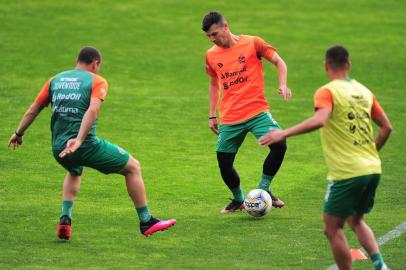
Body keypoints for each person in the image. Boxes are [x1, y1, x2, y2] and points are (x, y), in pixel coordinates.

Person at [8, 46, 176, 239]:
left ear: (78, 61)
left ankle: (65, 219)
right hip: (83, 145)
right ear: (96, 63)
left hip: (58, 148)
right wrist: (79, 140)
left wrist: (18, 133)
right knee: (133, 167)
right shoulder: (97, 80)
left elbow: (33, 109)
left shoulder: (55, 80)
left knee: (74, 170)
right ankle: (147, 221)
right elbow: (93, 110)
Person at [259, 45, 392, 270]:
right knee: (355, 220)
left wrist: (283, 132)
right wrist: (370, 153)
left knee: (332, 228)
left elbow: (320, 120)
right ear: (348, 65)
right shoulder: (364, 92)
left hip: (347, 172)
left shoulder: (327, 91)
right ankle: (380, 266)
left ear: (325, 66)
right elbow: (386, 128)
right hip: (372, 168)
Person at [202, 11, 292, 213]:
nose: (213, 39)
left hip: (257, 111)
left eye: (215, 33)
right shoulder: (211, 54)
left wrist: (283, 84)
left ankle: (264, 189)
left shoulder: (253, 43)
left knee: (279, 143)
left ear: (226, 26)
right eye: (209, 36)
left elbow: (279, 61)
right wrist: (211, 114)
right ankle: (238, 199)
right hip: (230, 117)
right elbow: (213, 84)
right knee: (224, 163)